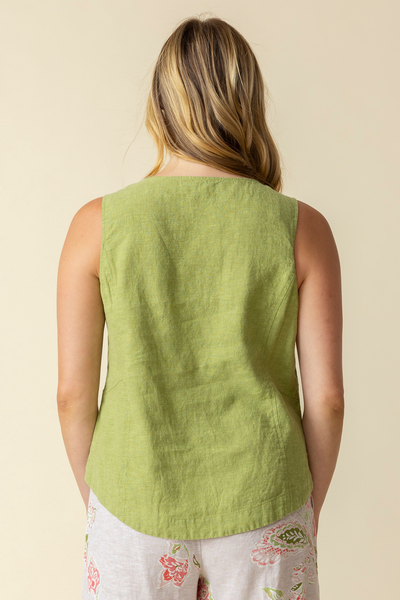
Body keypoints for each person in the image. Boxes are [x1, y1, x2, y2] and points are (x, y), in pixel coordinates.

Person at [56, 14, 344, 600]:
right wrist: (304, 510)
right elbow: (328, 401)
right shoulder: (302, 229)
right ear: (249, 102)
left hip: (132, 500)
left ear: (161, 104)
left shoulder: (96, 226)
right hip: (266, 502)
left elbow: (72, 396)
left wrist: (103, 507)